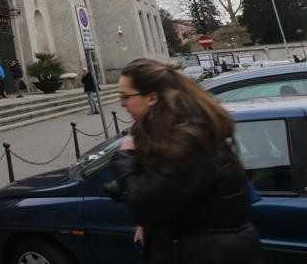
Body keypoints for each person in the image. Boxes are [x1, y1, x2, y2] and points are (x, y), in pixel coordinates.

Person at [104, 58, 262, 264]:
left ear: (151, 97)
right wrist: (126, 184)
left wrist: (125, 157)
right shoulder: (170, 130)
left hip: (208, 253)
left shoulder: (187, 139)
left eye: (126, 96)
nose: (122, 103)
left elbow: (147, 203)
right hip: (196, 246)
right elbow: (166, 186)